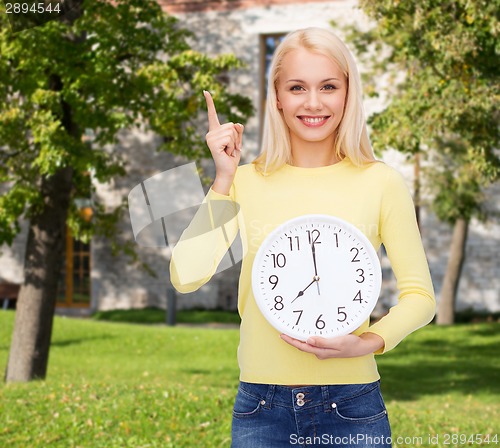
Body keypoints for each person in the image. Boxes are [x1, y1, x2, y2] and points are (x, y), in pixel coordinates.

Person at [170, 27, 435, 448]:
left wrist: (366, 344)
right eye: (297, 87)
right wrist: (222, 180)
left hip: (352, 405)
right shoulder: (243, 181)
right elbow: (186, 275)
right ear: (277, 97)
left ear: (348, 94)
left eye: (328, 86)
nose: (313, 102)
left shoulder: (381, 182)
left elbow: (421, 297)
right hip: (261, 407)